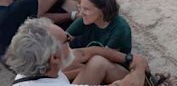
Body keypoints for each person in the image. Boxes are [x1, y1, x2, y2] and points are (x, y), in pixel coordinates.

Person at [4, 17, 156, 85]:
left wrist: (128, 58)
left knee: (98, 63)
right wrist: (140, 65)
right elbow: (128, 84)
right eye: (67, 41)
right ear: (55, 58)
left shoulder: (32, 70)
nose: (71, 43)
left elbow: (86, 52)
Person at [67, 0, 132, 56]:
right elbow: (65, 38)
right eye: (80, 8)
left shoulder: (120, 28)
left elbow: (108, 56)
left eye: (86, 9)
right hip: (87, 59)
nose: (80, 14)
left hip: (110, 63)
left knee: (97, 61)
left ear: (102, 10)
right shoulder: (85, 20)